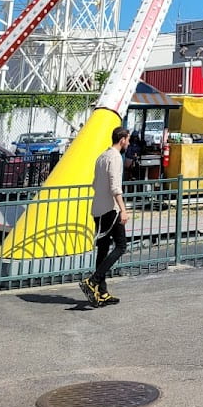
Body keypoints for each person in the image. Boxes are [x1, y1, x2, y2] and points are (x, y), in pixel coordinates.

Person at [79, 125, 129, 308]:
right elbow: (115, 186)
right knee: (121, 246)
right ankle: (93, 281)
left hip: (98, 209)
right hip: (111, 209)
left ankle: (102, 291)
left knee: (103, 248)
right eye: (128, 139)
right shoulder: (115, 158)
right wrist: (123, 209)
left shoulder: (102, 156)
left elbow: (95, 183)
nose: (128, 143)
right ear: (122, 139)